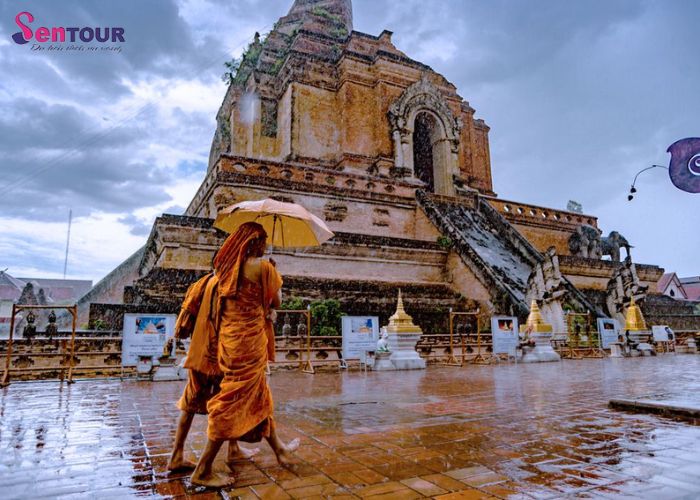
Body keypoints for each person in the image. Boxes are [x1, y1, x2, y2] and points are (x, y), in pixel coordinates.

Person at [191, 222, 299, 488]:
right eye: (262, 240)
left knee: (256, 394)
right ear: (253, 242)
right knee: (231, 401)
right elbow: (276, 302)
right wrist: (273, 272)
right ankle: (203, 469)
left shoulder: (226, 270)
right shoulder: (263, 268)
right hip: (249, 344)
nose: (265, 244)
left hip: (229, 342)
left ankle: (280, 449)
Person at [167, 261, 257, 473]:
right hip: (217, 354)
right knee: (228, 402)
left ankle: (177, 454)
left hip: (198, 352)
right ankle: (209, 464)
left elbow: (184, 323)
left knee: (190, 404)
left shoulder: (202, 283)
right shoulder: (225, 285)